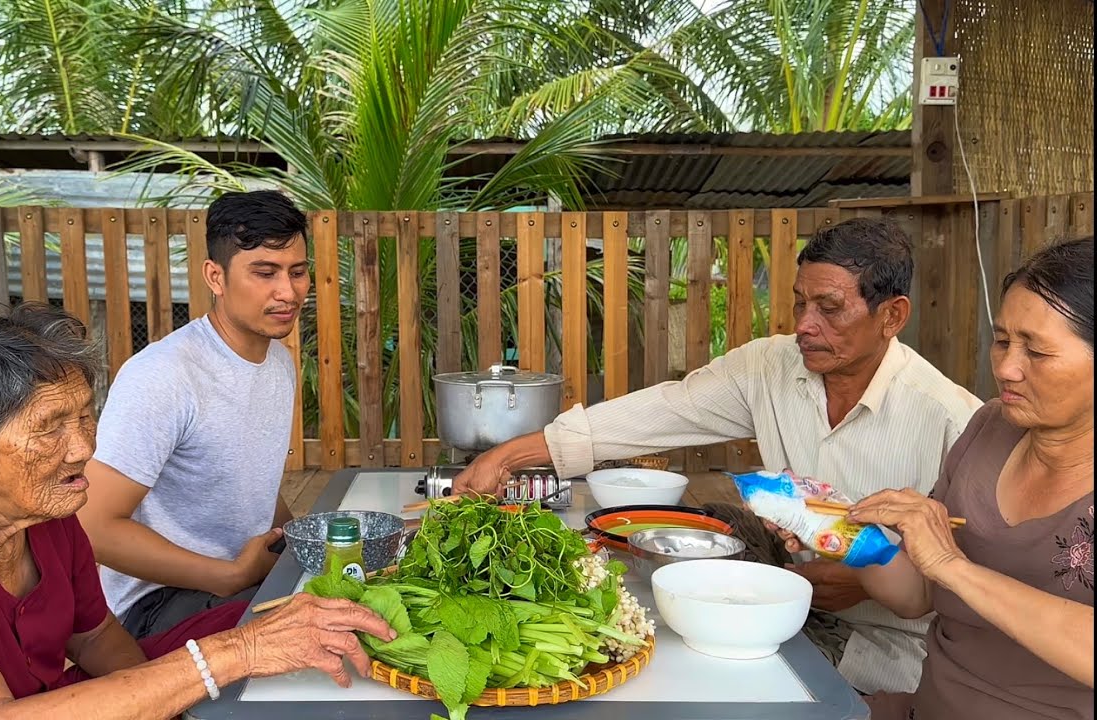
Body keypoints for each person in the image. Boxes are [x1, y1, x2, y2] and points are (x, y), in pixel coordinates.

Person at [453, 217, 983, 694]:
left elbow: (976, 575)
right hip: (785, 600)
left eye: (829, 308)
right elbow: (662, 412)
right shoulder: (770, 367)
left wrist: (862, 577)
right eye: (800, 302)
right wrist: (513, 455)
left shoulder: (951, 421)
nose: (803, 324)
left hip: (883, 649)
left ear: (892, 316)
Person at [0, 304, 392, 720]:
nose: (85, 448)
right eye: (50, 427)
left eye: (86, 416)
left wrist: (233, 653)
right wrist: (233, 655)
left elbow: (97, 644)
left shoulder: (47, 515)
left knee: (268, 618)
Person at [845, 237, 1094, 720]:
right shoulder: (990, 427)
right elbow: (918, 596)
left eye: (1037, 353)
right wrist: (840, 532)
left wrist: (952, 565)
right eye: (1002, 341)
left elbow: (944, 570)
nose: (1005, 368)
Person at [77, 190, 310, 639]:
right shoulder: (163, 376)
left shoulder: (278, 362)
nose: (288, 292)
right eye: (265, 273)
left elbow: (250, 487)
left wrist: (301, 540)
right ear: (215, 276)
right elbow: (93, 527)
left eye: (297, 272)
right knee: (317, 630)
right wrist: (227, 575)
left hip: (239, 582)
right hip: (152, 605)